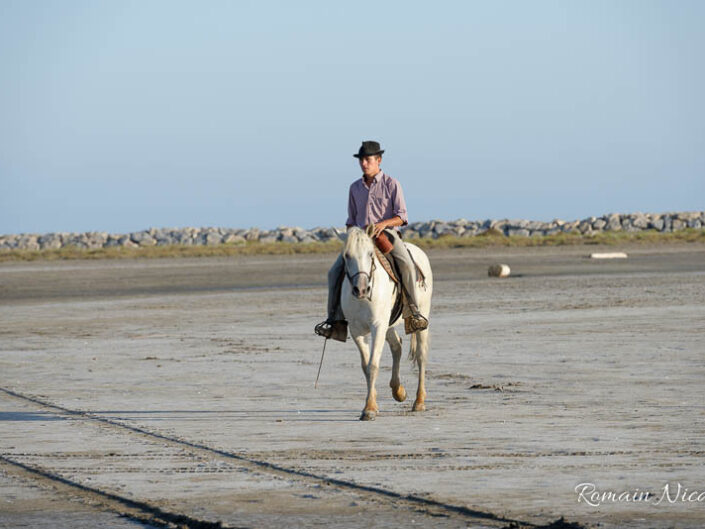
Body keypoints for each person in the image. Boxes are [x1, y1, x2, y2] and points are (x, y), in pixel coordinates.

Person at [314, 140, 429, 342]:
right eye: (361, 160)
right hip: (360, 239)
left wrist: (383, 224)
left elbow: (402, 216)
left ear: (378, 160)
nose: (364, 164)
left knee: (408, 265)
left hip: (387, 235)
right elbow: (351, 220)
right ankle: (334, 321)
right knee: (334, 273)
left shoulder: (392, 184)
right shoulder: (354, 188)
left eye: (368, 160)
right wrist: (351, 236)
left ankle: (413, 313)